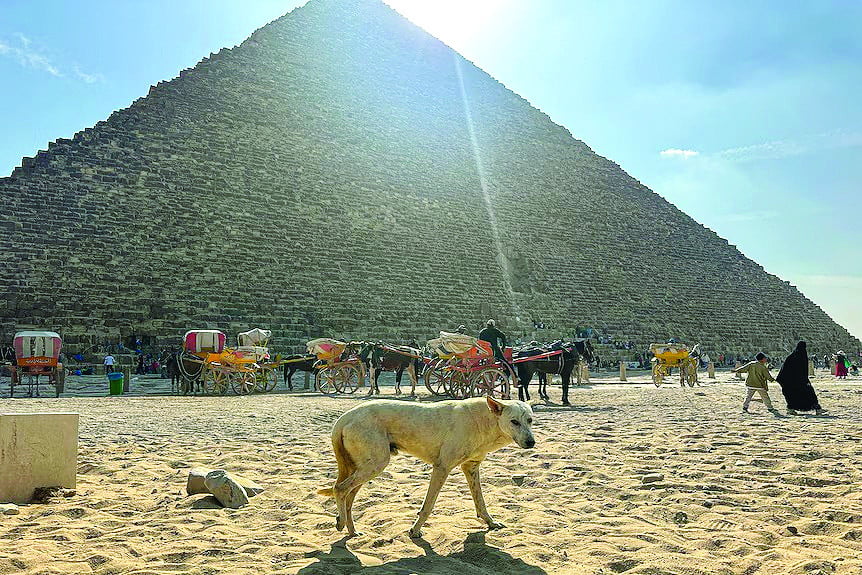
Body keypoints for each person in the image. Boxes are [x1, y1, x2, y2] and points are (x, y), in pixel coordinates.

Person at [777, 341, 826, 415]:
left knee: (792, 395)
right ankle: (817, 408)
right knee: (809, 394)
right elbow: (802, 370)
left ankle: (790, 409)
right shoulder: (802, 356)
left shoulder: (791, 356)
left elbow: (784, 369)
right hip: (799, 380)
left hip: (789, 381)